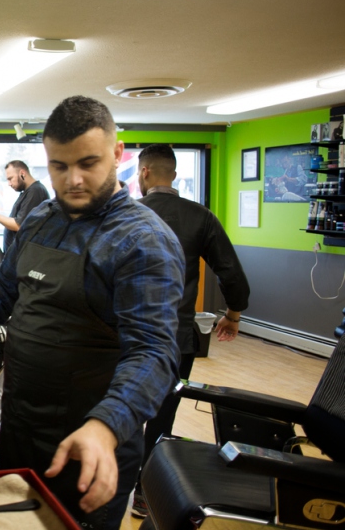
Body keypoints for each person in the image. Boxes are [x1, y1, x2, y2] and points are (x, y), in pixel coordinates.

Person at [0, 96, 184, 530]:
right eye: (59, 166)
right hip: (20, 424)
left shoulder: (142, 241)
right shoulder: (41, 218)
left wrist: (106, 427)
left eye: (88, 163)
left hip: (87, 441)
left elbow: (153, 353)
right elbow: (1, 290)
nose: (72, 180)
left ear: (117, 153)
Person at [133, 143, 250, 517]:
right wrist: (232, 314)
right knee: (163, 414)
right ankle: (145, 493)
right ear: (174, 174)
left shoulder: (126, 214)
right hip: (177, 336)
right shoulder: (201, 217)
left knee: (122, 407)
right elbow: (231, 272)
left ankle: (110, 487)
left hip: (125, 334)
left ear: (145, 172)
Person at [0, 160, 50, 248]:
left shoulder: (35, 191)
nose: (9, 184)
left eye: (10, 178)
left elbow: (19, 225)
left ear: (22, 173)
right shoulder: (27, 192)